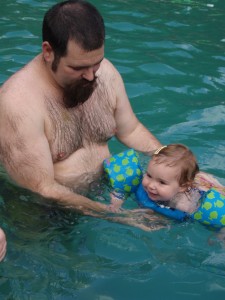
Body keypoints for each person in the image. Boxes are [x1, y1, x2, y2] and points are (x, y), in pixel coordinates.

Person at [0, 0, 161, 215]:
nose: (91, 75)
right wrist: (119, 217)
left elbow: (130, 130)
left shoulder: (105, 72)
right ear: (48, 52)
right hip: (43, 213)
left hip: (104, 193)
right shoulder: (17, 104)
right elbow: (41, 188)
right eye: (78, 67)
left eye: (96, 62)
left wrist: (173, 161)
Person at [108, 144, 225, 227]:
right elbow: (121, 190)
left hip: (204, 188)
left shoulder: (184, 205)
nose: (151, 185)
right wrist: (117, 199)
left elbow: (174, 221)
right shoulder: (152, 178)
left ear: (182, 187)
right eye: (149, 175)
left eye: (162, 182)